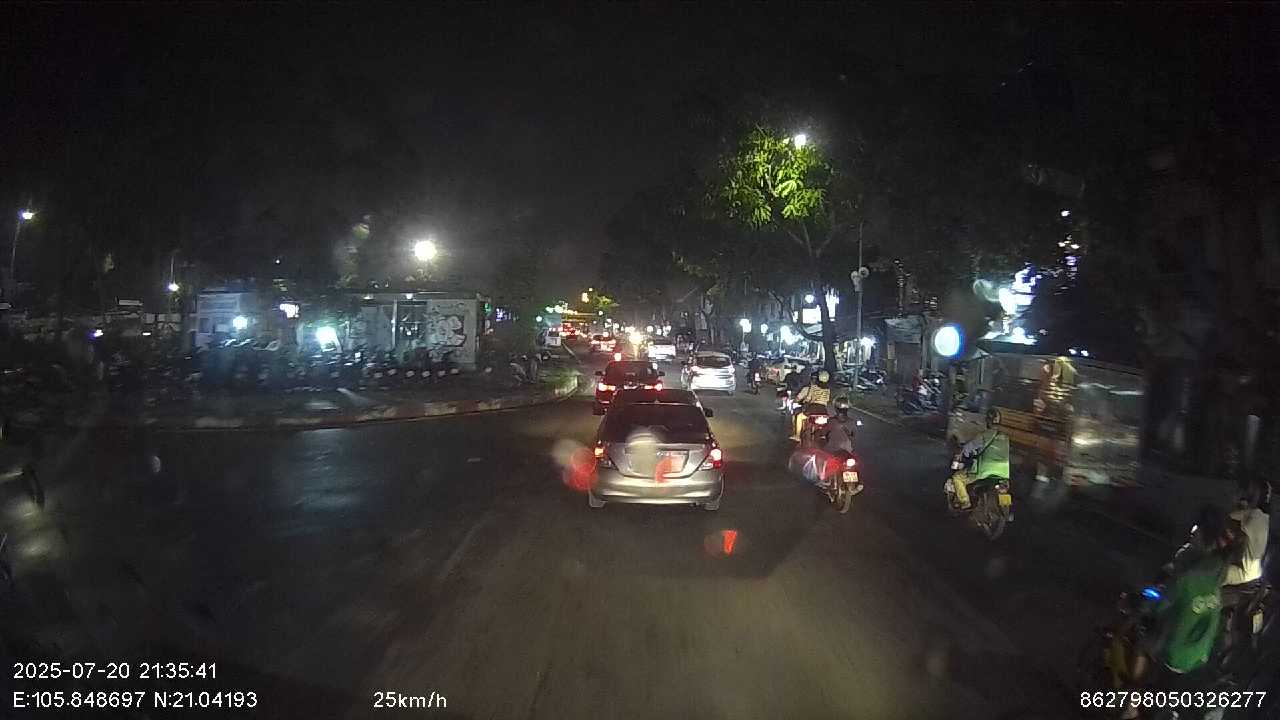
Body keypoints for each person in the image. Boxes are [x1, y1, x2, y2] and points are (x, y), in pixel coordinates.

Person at [1120, 508, 1232, 720]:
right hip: (1202, 648)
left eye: (1195, 530)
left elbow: (1158, 604)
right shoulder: (1218, 567)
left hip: (1178, 650)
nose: (1192, 533)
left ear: (1201, 533)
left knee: (1142, 646)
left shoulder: (1186, 576)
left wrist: (1136, 602)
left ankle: (1131, 707)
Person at [1219, 478, 1270, 654]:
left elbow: (1230, 519)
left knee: (1210, 575)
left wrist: (1236, 502)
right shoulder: (1264, 518)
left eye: (1253, 491)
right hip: (1256, 574)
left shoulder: (1252, 516)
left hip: (1244, 572)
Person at [949, 408, 1010, 510]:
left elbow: (968, 448)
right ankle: (1007, 508)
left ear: (987, 421)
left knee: (957, 478)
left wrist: (961, 453)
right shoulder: (1005, 437)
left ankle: (965, 502)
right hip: (1003, 473)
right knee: (1004, 490)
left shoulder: (984, 435)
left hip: (984, 472)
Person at [791, 369, 833, 441]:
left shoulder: (813, 387)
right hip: (823, 409)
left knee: (800, 417)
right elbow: (827, 400)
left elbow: (808, 398)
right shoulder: (828, 389)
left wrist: (805, 402)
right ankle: (823, 435)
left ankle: (797, 436)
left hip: (813, 408)